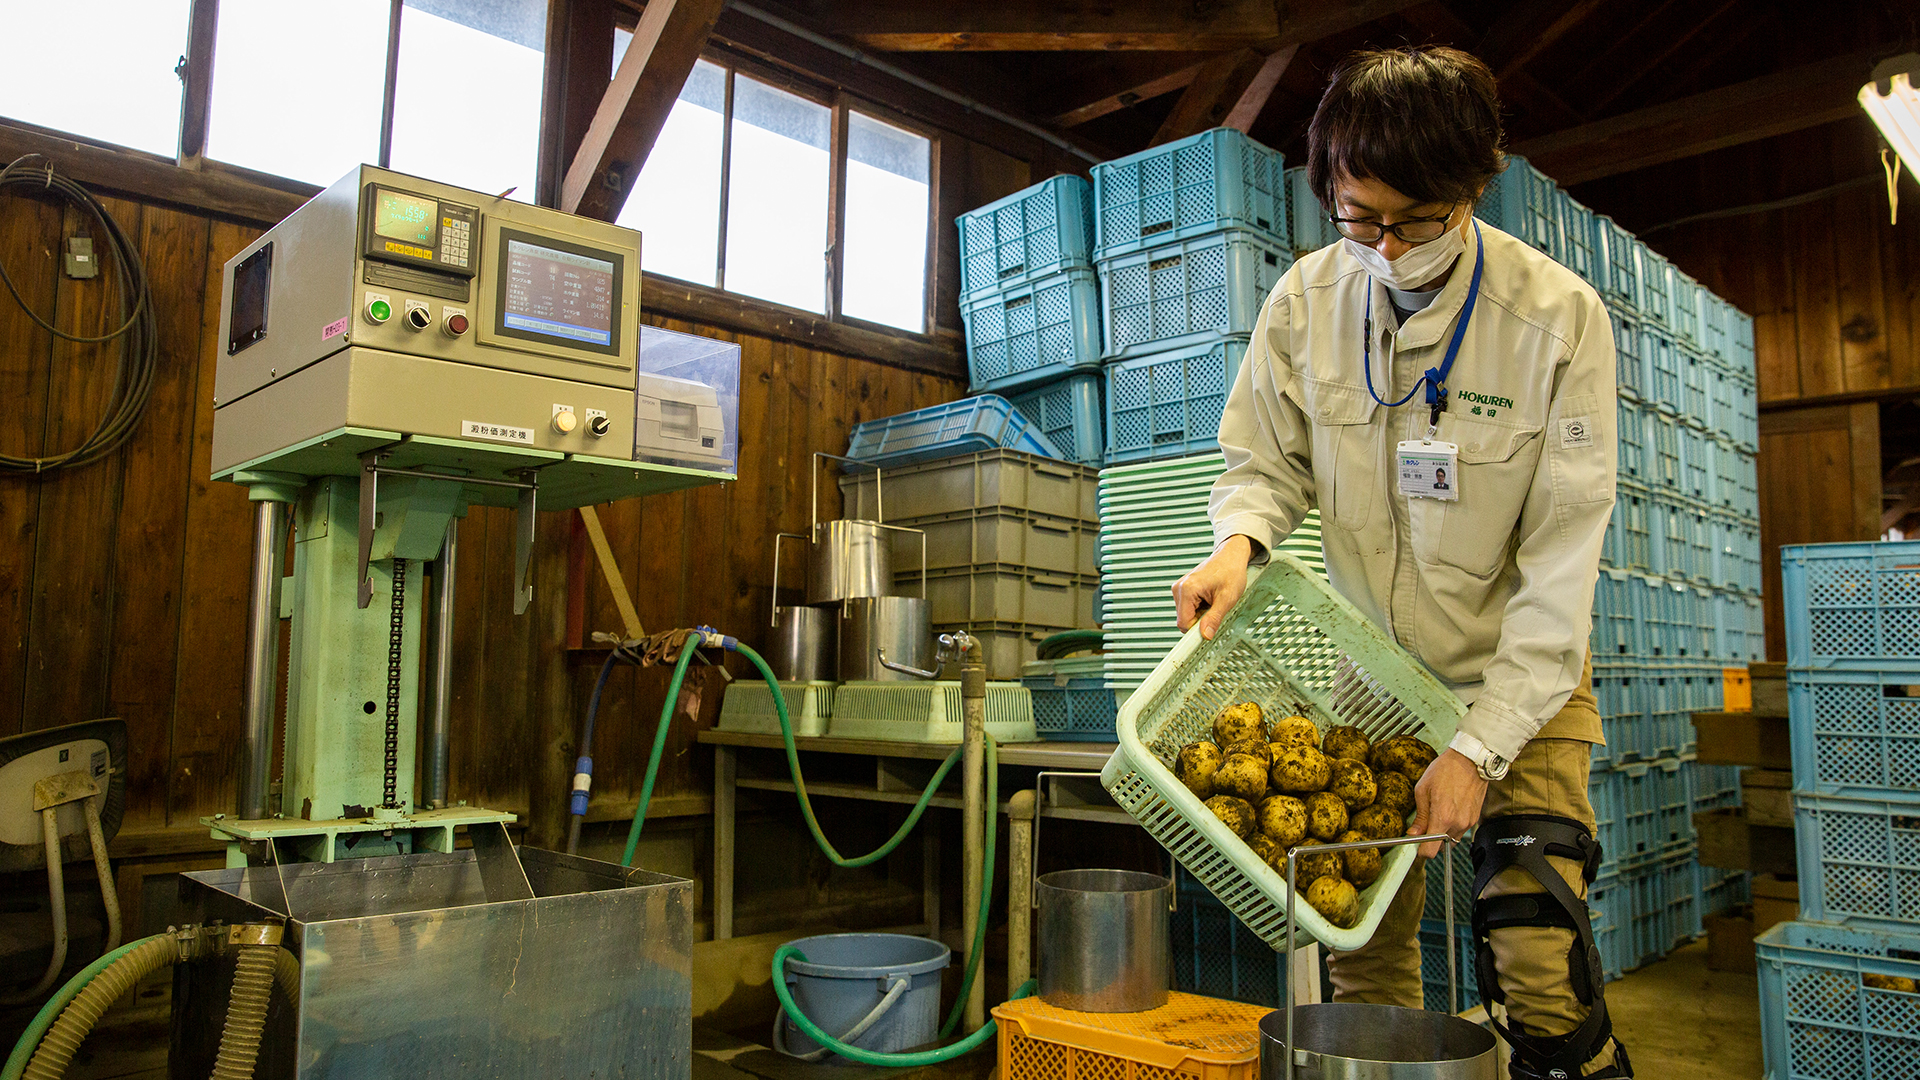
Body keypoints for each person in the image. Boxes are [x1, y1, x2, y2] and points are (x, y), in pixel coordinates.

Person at [1171, 46, 1628, 1079]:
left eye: (1415, 222)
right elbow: (1263, 459)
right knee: (1363, 968)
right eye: (1357, 218)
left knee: (1534, 963)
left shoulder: (1557, 322)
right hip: (1369, 683)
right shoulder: (1304, 302)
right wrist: (1240, 544)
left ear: (1476, 186)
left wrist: (1480, 747)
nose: (1385, 246)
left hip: (1523, 686)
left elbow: (1562, 564)